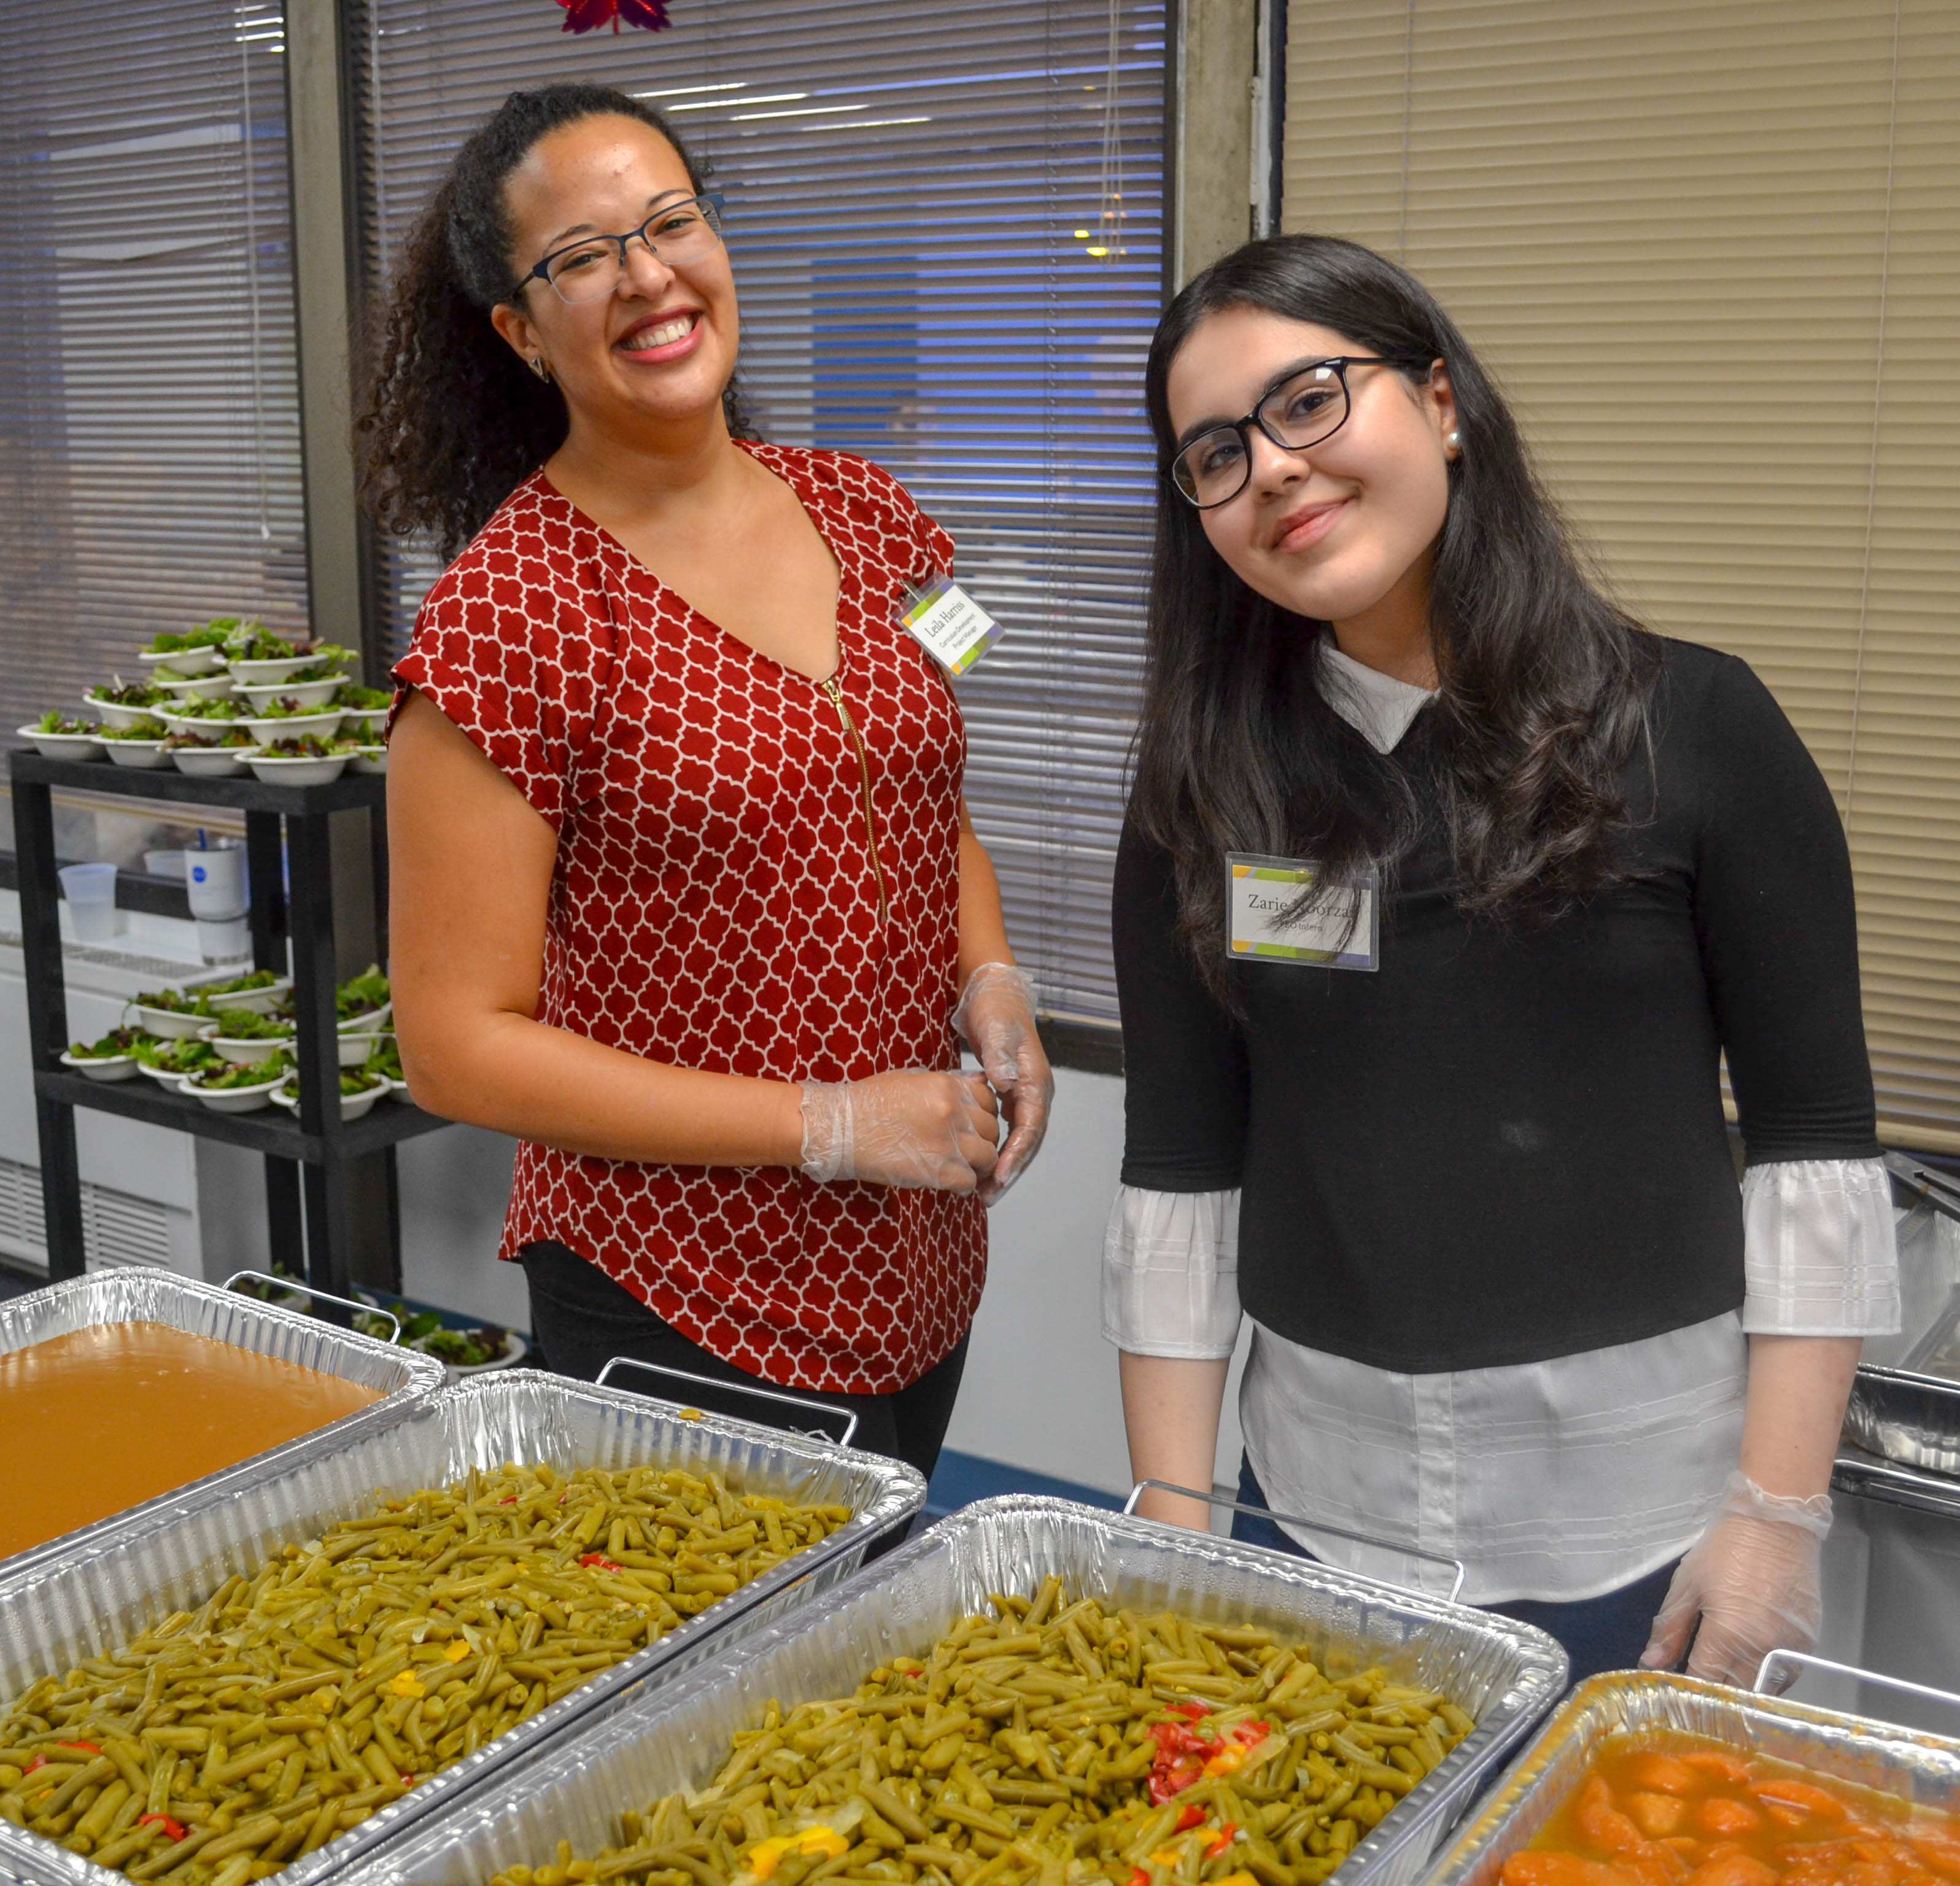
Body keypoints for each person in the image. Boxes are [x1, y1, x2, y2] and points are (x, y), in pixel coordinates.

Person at [1104, 233, 1899, 1685]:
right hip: (1313, 1513)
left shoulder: (1695, 727)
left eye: (1307, 402)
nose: (1269, 469)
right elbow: (1181, 1166)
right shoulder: (1202, 790)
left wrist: (1775, 1518)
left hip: (1644, 1527)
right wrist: (1173, 1513)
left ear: (1442, 404)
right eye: (1213, 451)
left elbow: (1812, 1152)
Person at [358, 82, 1053, 1486]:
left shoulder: (875, 517)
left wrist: (991, 980)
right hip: (681, 1297)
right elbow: (451, 1043)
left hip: (914, 1264)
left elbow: (923, 786)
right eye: (582, 256)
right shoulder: (507, 617)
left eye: (671, 222)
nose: (648, 275)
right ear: (519, 331)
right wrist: (832, 1126)